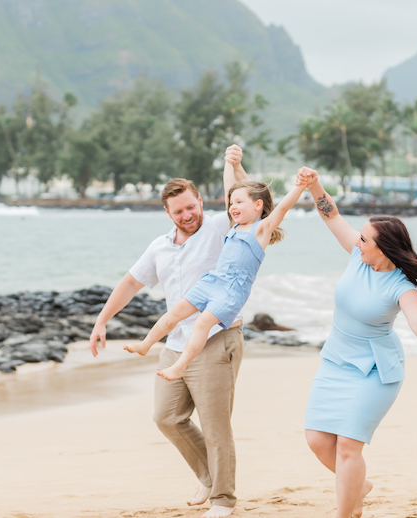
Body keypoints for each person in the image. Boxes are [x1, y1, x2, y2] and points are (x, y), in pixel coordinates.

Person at [88, 145, 249, 518]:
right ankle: (209, 476)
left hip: (215, 340)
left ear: (201, 202)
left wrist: (236, 167)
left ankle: (223, 500)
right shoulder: (159, 247)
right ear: (167, 213)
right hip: (175, 344)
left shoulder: (221, 228)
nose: (188, 215)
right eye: (179, 211)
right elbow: (130, 284)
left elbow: (248, 197)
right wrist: (101, 320)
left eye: (192, 207)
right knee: (166, 417)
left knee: (215, 426)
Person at [297, 168, 417, 518]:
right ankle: (360, 485)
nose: (358, 242)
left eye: (365, 239)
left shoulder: (401, 286)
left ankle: (346, 513)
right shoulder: (357, 257)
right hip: (336, 360)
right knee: (317, 441)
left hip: (374, 371)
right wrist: (314, 185)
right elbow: (332, 213)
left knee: (347, 448)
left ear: (383, 247)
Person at [124, 166, 310, 381]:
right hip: (213, 280)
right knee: (176, 312)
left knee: (201, 323)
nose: (232, 207)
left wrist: (301, 185)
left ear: (258, 205)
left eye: (239, 202)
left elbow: (284, 207)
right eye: (231, 203)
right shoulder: (234, 225)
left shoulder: (261, 229)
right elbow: (230, 187)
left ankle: (180, 366)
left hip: (232, 290)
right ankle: (145, 344)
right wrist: (230, 164)